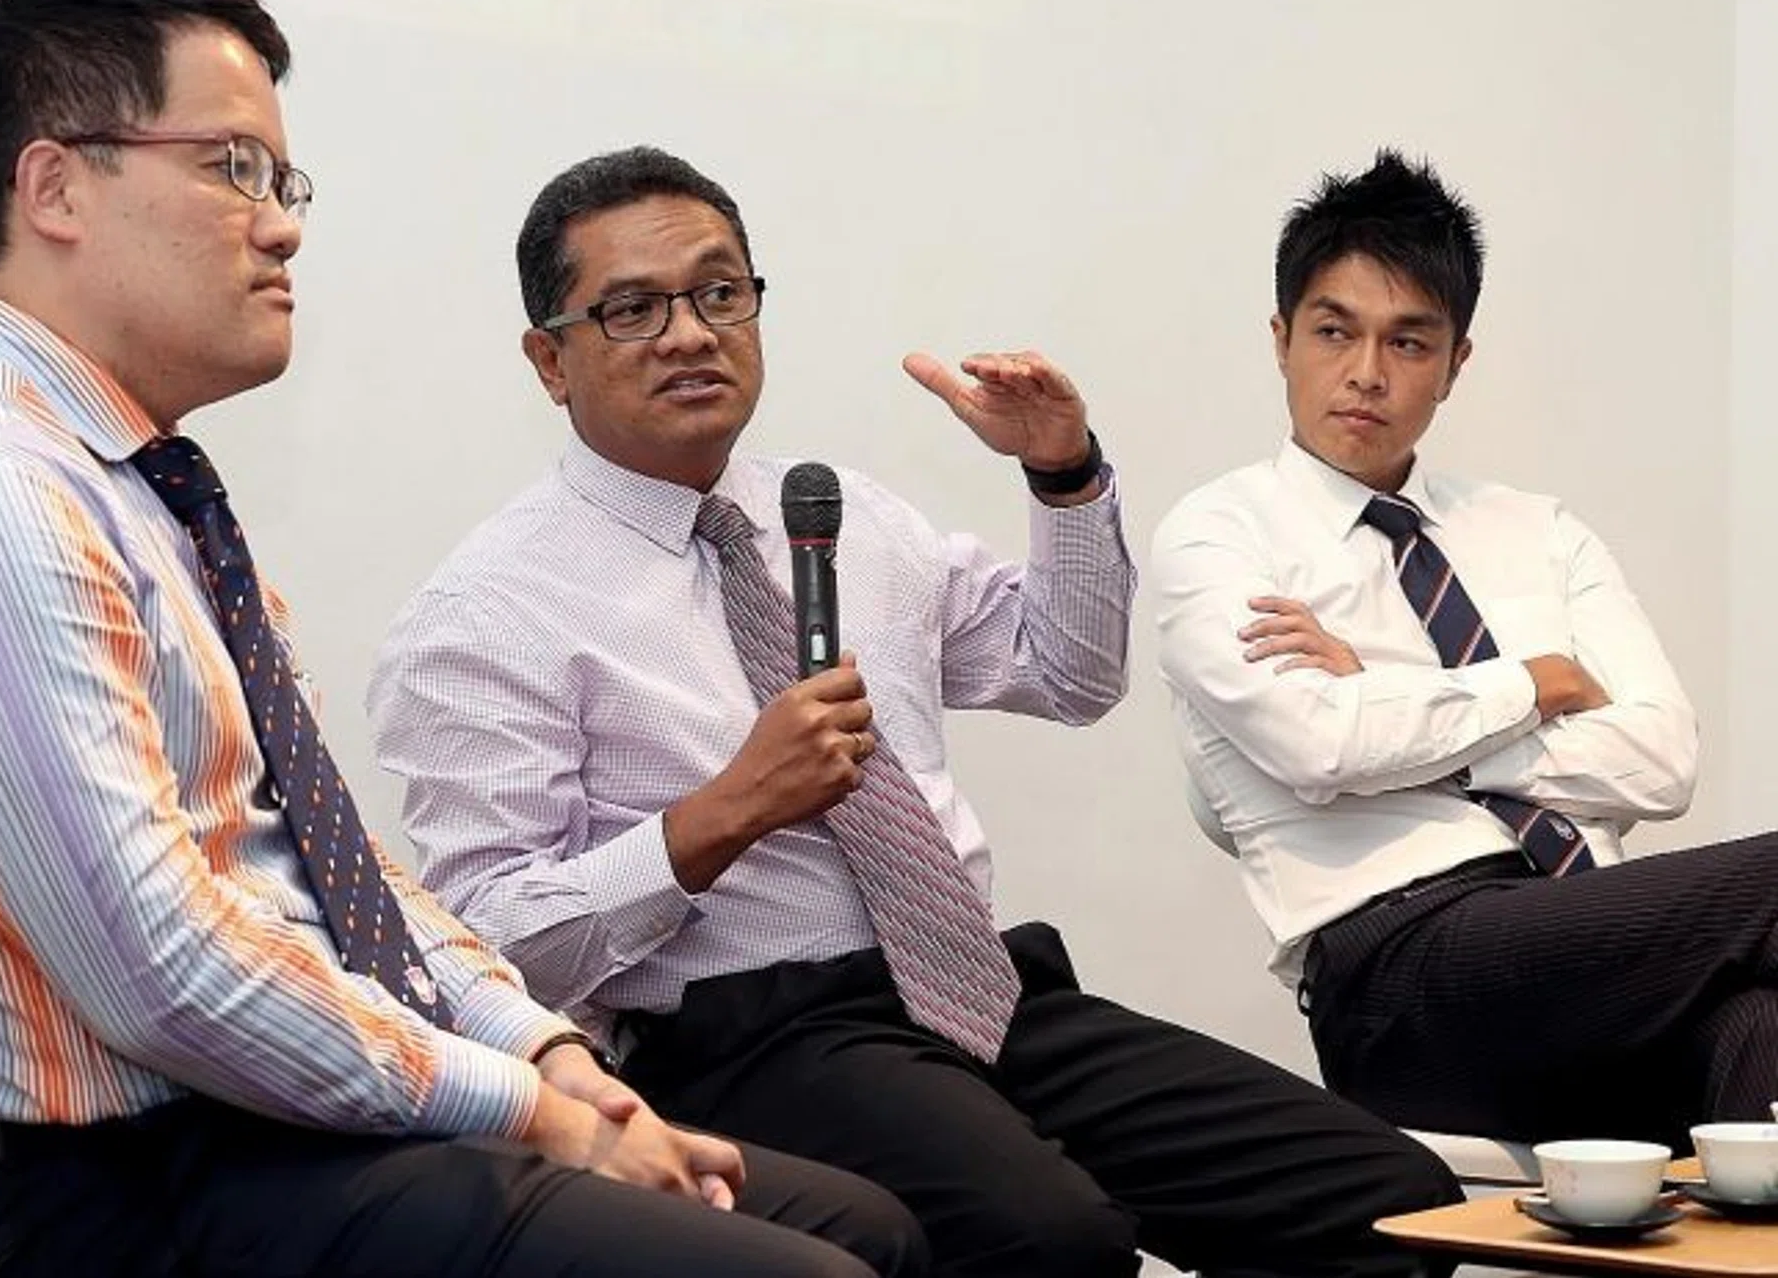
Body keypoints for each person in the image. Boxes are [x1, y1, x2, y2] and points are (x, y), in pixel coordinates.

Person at [0, 0, 930, 1277]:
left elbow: (342, 874)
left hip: (309, 1123)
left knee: (866, 1227)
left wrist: (550, 1056)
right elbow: (162, 977)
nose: (282, 225)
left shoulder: (140, 486)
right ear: (55, 188)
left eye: (283, 181)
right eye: (233, 167)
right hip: (155, 1180)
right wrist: (529, 1112)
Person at [368, 143, 1462, 1278]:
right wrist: (724, 814)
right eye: (634, 309)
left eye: (720, 292)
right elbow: (490, 943)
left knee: (1396, 1201)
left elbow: (1070, 672)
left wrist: (1062, 474)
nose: (691, 333)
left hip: (978, 991)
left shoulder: (843, 512)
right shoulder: (488, 611)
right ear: (551, 359)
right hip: (751, 1036)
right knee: (1054, 1237)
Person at [1153, 149, 1778, 1147]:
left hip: (1595, 948)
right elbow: (1320, 745)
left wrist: (1388, 695)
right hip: (1403, 977)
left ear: (1455, 362)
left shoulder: (1538, 530)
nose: (1367, 372)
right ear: (1281, 340)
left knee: (1763, 1031)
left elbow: (1663, 762)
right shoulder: (1218, 534)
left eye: (1409, 341)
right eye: (1334, 331)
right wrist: (1533, 682)